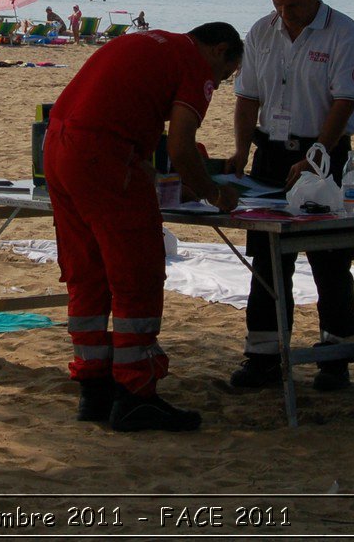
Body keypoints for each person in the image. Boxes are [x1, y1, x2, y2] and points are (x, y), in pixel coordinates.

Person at [43, 22, 244, 432]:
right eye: (224, 76)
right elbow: (180, 145)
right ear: (220, 50)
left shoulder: (151, 42)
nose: (218, 87)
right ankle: (136, 393)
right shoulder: (193, 63)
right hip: (104, 154)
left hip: (58, 146)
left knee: (88, 270)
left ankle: (93, 386)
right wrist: (212, 191)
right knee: (137, 271)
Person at [226, 0, 354, 393]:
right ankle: (265, 356)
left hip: (324, 153)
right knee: (268, 261)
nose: (285, 13)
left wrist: (318, 153)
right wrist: (238, 150)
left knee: (331, 261)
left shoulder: (343, 33)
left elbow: (344, 100)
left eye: (294, 5)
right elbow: (248, 98)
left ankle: (336, 356)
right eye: (278, 4)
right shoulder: (260, 32)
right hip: (270, 155)